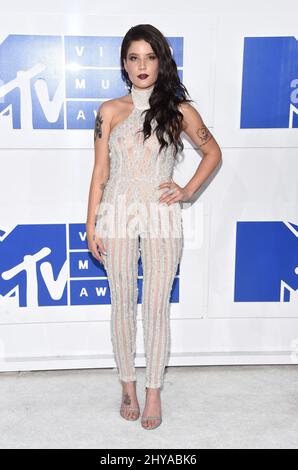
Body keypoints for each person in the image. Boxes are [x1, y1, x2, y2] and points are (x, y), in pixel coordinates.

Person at [86, 24, 222, 430]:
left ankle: (153, 391)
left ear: (161, 62)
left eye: (149, 56)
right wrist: (91, 222)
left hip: (161, 213)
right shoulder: (108, 111)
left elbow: (212, 152)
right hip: (116, 210)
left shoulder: (179, 111)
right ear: (124, 65)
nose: (141, 65)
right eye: (133, 57)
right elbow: (100, 171)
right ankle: (127, 385)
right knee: (122, 302)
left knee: (156, 306)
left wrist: (186, 190)